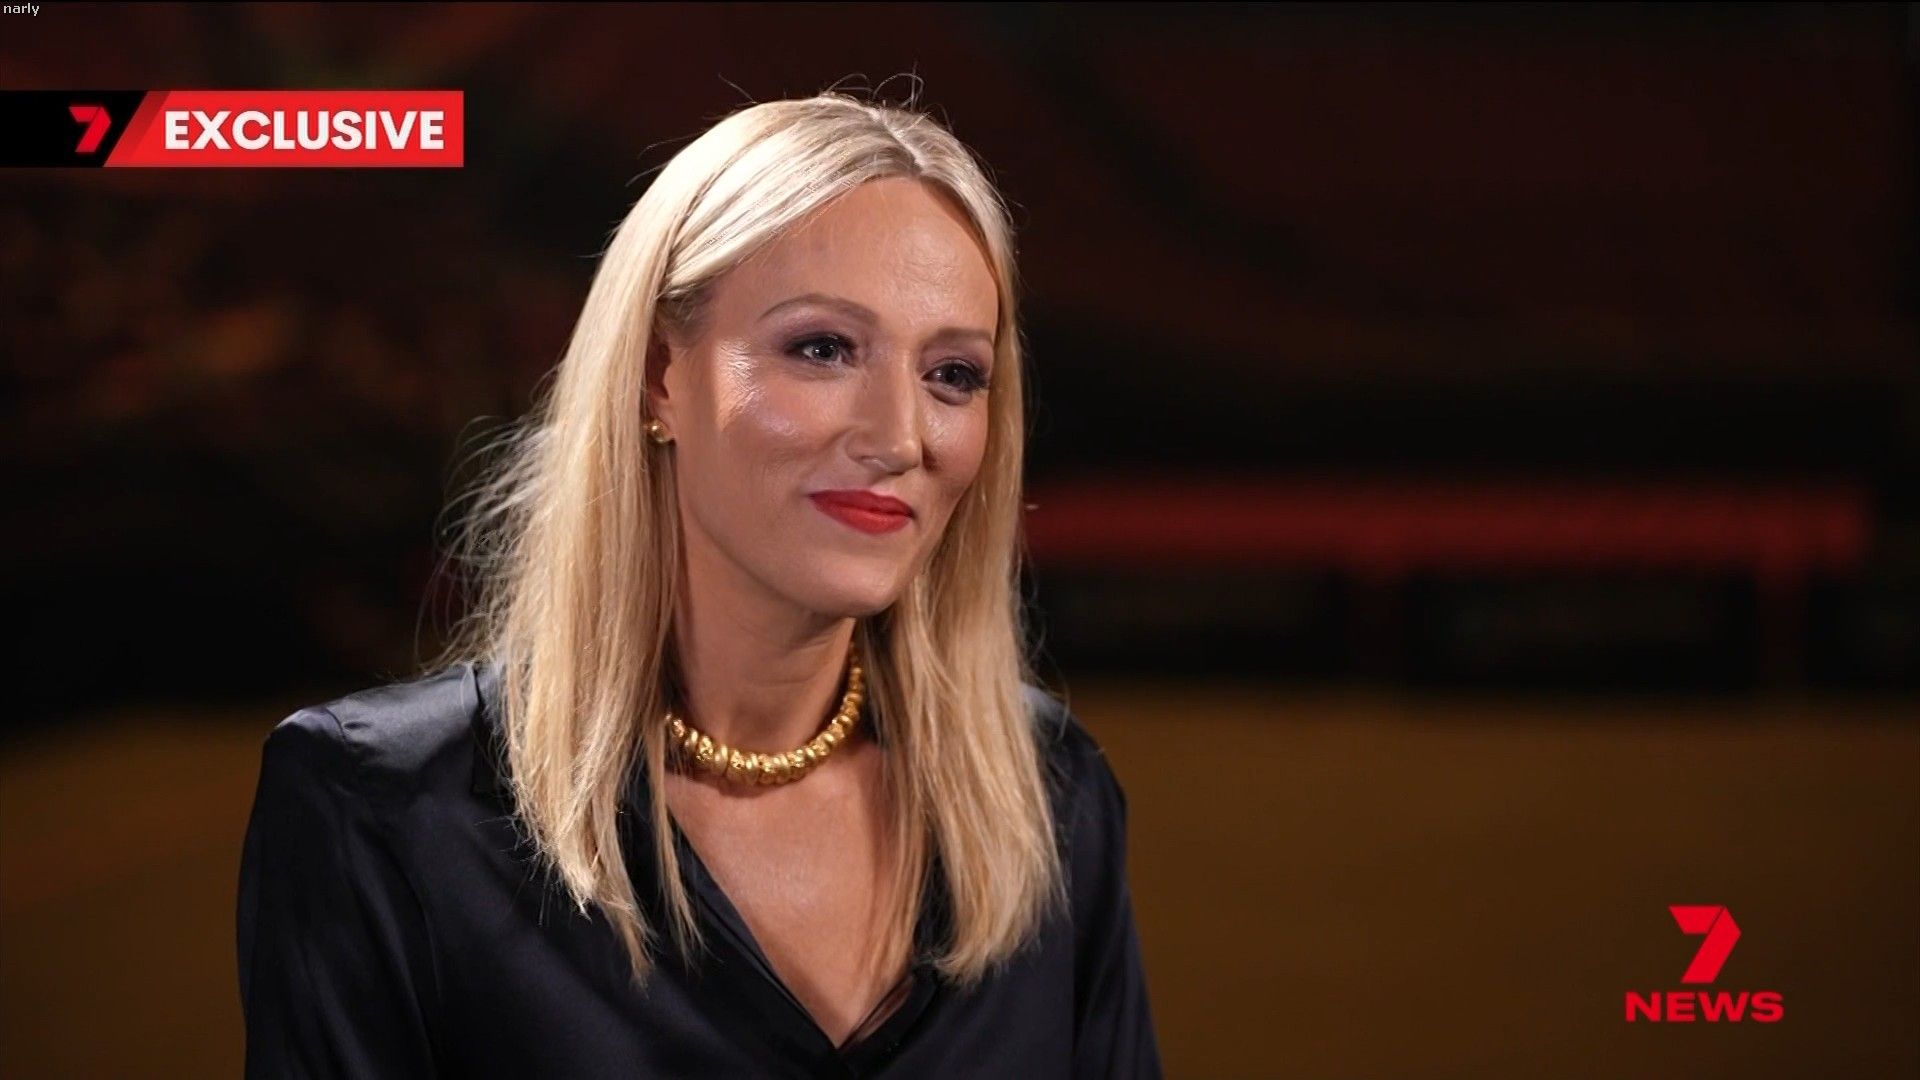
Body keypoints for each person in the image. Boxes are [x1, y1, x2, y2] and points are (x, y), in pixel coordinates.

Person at [236, 89, 1163, 1079]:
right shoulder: (381, 813)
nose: (900, 437)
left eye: (953, 375)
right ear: (657, 376)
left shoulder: (1050, 795)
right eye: (822, 349)